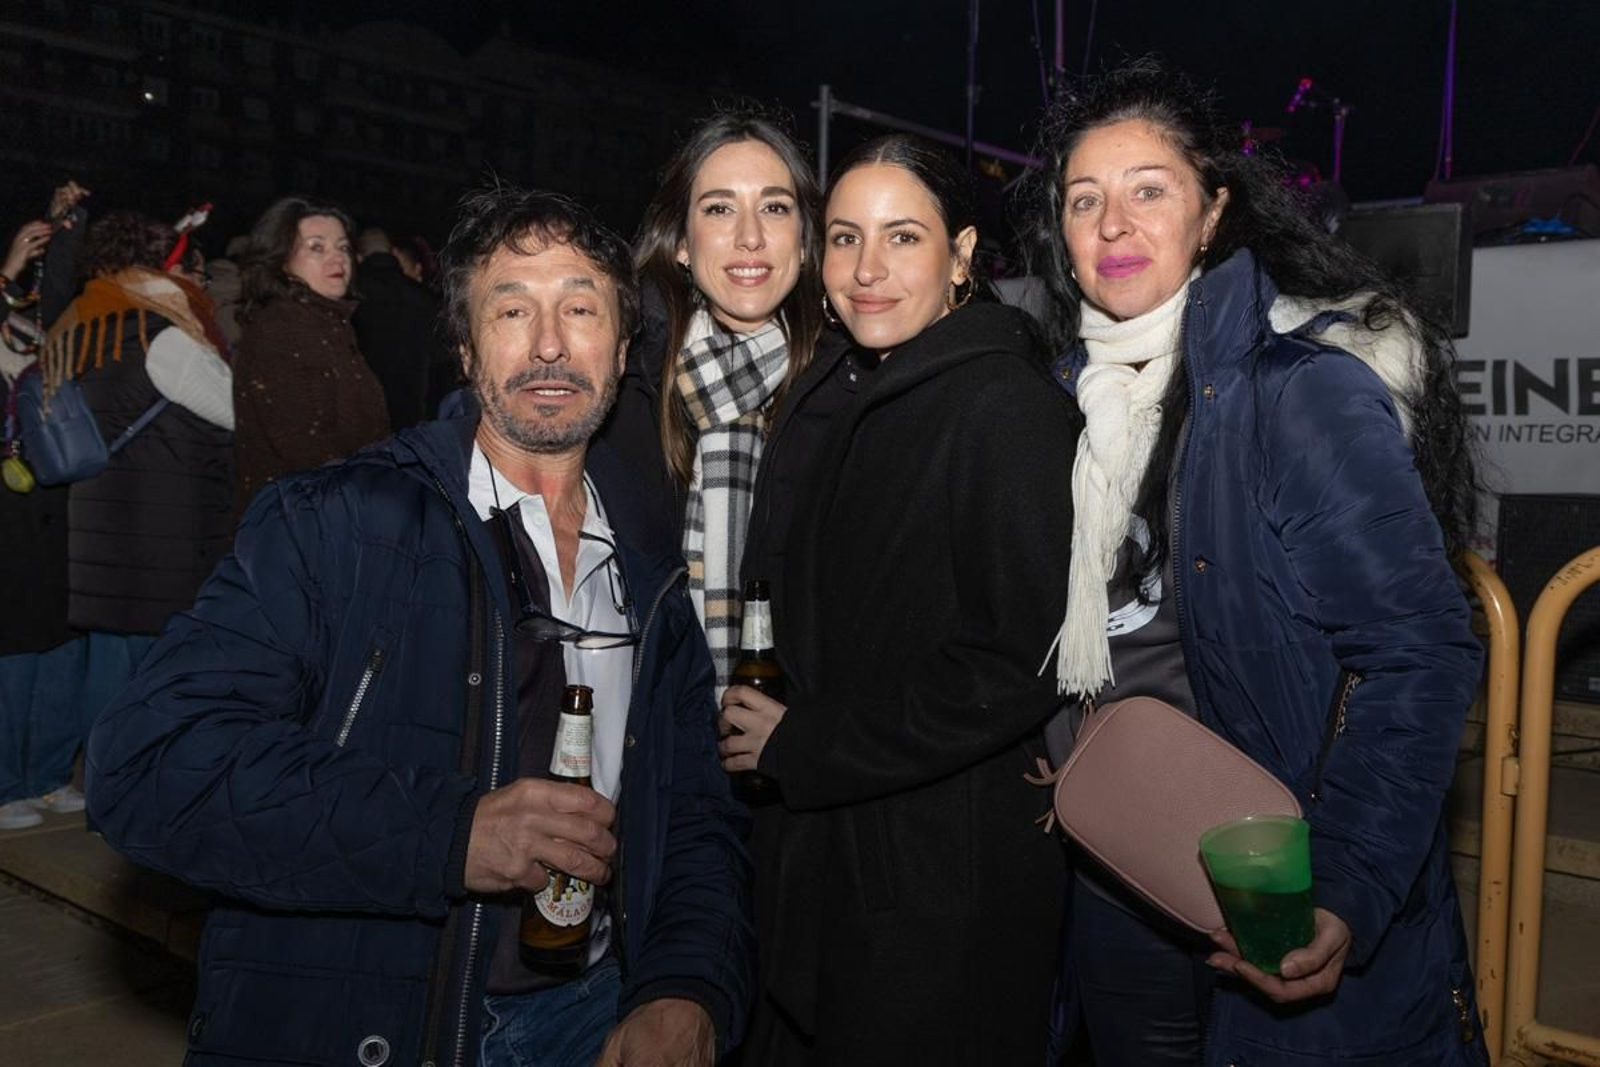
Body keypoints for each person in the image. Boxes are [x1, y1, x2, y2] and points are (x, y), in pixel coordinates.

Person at [86, 186, 751, 1067]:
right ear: (470, 352)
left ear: (623, 349)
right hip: (369, 1024)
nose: (550, 342)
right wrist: (449, 832)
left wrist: (685, 986)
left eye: (580, 308)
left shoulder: (652, 577)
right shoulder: (336, 524)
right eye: (513, 308)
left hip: (590, 1017)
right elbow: (147, 766)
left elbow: (698, 819)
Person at [1018, 58, 1487, 1065]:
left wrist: (1347, 886)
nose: (1112, 224)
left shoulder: (1296, 394)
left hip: (1272, 878)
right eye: (1084, 198)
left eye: (1149, 190)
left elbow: (1421, 648)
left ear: (1212, 210)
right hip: (1115, 868)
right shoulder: (1063, 399)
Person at [716, 134, 1080, 1064]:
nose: (866, 270)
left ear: (961, 254)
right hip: (841, 862)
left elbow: (1020, 664)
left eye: (902, 238)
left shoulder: (1002, 403)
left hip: (939, 892)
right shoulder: (855, 388)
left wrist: (806, 742)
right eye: (843, 238)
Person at [605, 109, 823, 684]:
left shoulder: (845, 390)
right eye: (719, 208)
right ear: (680, 242)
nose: (749, 237)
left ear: (805, 241)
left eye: (775, 208)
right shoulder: (620, 384)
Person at [37, 210, 235, 789]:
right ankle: (130, 787)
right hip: (158, 530)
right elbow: (234, 414)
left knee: (107, 661)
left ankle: (100, 781)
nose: (201, 286)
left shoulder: (82, 321)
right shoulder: (162, 334)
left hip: (96, 522)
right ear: (168, 271)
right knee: (150, 668)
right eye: (194, 270)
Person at [0, 204, 86, 830]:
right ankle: (7, 786)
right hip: (8, 508)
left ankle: (49, 776)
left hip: (56, 501)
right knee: (12, 648)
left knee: (60, 643)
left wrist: (68, 227)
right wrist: (7, 271)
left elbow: (59, 310)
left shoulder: (54, 331)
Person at [231, 196, 389, 513]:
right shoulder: (281, 328)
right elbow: (304, 446)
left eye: (343, 247)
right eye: (317, 248)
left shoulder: (330, 326)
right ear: (281, 260)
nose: (337, 259)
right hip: (301, 526)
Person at [352, 225, 451, 429]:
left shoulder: (348, 298)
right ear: (393, 253)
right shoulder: (425, 299)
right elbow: (443, 365)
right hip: (415, 419)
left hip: (362, 420)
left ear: (358, 257)